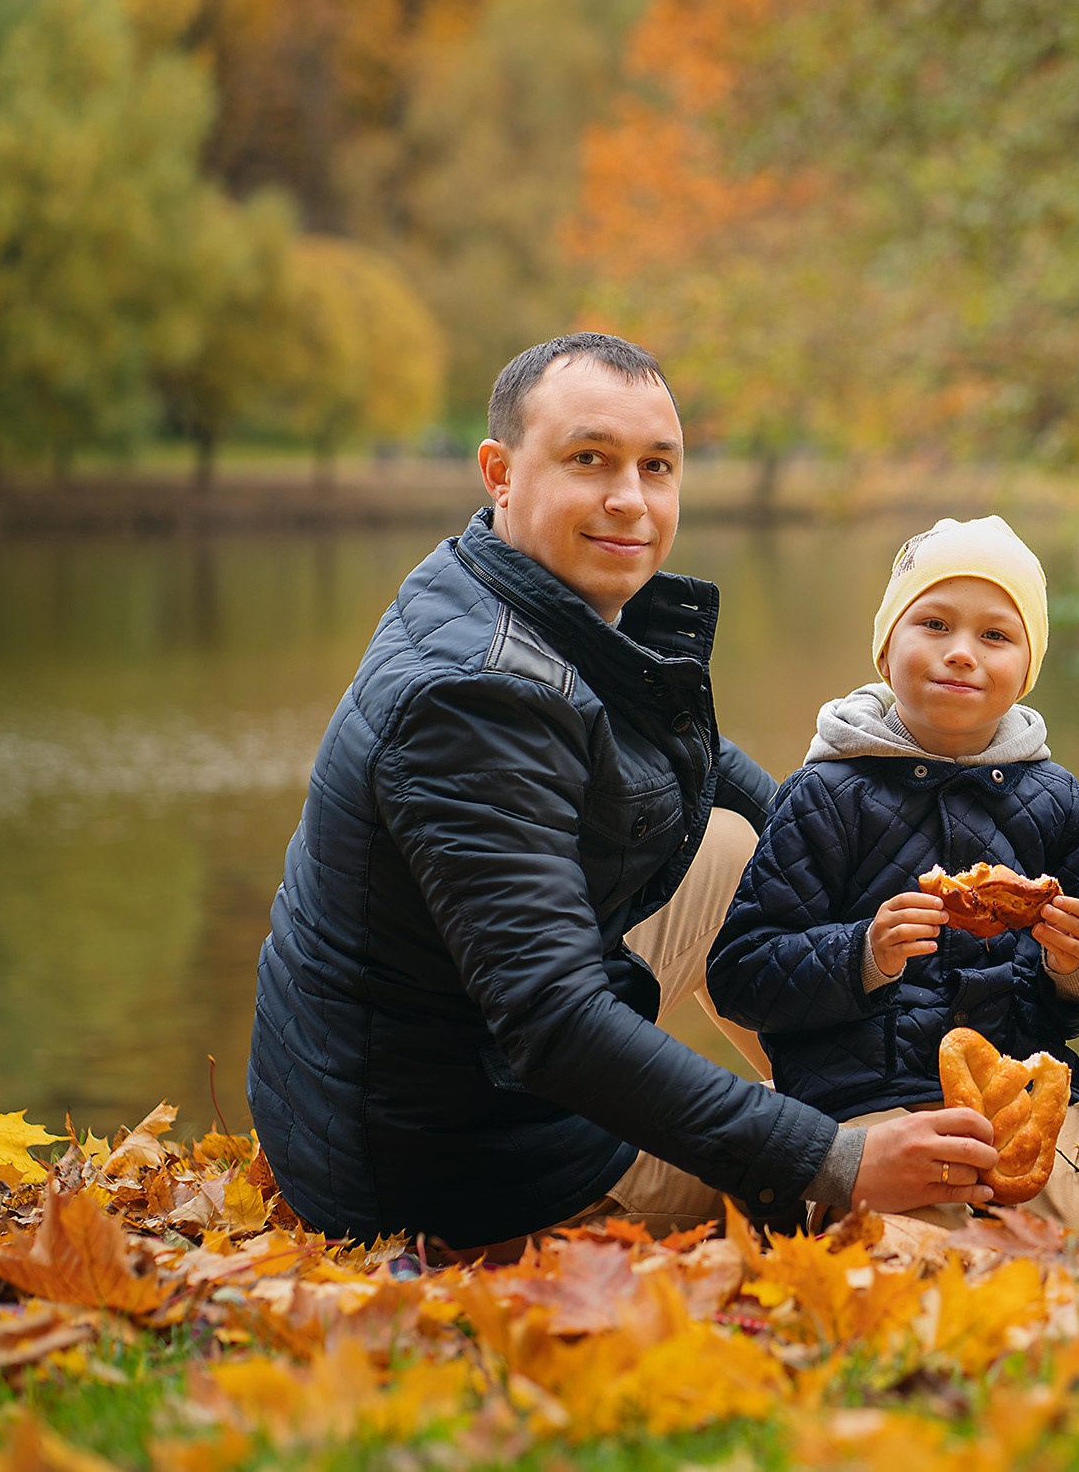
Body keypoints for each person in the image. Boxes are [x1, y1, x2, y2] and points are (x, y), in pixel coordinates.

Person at [246, 333, 999, 1256]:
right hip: (448, 1167)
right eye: (588, 459)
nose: (630, 499)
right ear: (500, 473)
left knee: (739, 846)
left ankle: (878, 1092)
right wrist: (833, 1162)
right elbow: (555, 1022)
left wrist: (922, 889)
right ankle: (868, 1144)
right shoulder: (472, 699)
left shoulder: (518, 593)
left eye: (656, 466)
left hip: (426, 1076)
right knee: (924, 1216)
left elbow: (725, 785)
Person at [711, 516, 1079, 1241]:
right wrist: (863, 954)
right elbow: (740, 976)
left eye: (995, 635)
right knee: (915, 1251)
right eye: (934, 624)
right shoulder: (826, 795)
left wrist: (1077, 966)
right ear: (886, 651)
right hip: (867, 1106)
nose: (961, 652)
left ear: (1026, 670)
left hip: (1024, 1103)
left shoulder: (1056, 798)